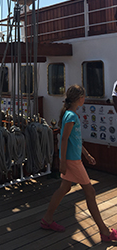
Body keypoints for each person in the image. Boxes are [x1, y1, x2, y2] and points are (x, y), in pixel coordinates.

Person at [40, 85, 116, 241]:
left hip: (73, 159)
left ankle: (47, 220)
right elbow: (63, 139)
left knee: (64, 188)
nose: (85, 99)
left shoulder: (70, 115)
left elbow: (75, 140)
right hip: (72, 161)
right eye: (84, 96)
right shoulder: (72, 117)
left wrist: (87, 155)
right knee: (90, 192)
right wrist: (62, 162)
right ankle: (105, 232)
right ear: (79, 98)